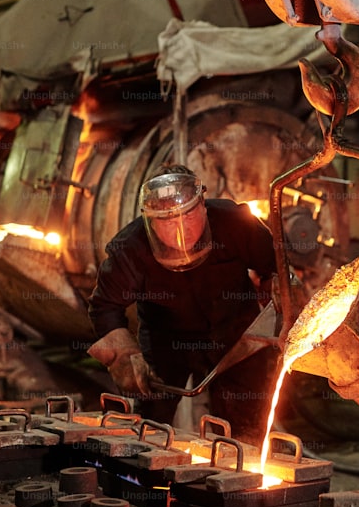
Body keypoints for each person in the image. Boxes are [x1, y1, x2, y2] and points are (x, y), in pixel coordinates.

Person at [87, 163, 278, 442]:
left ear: (202, 204)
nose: (180, 230)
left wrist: (275, 291)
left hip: (237, 337)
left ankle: (241, 478)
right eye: (166, 220)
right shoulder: (129, 250)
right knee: (151, 424)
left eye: (187, 215)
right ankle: (146, 479)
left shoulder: (235, 222)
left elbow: (274, 263)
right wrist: (124, 356)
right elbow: (104, 308)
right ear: (149, 219)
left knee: (244, 429)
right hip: (166, 341)